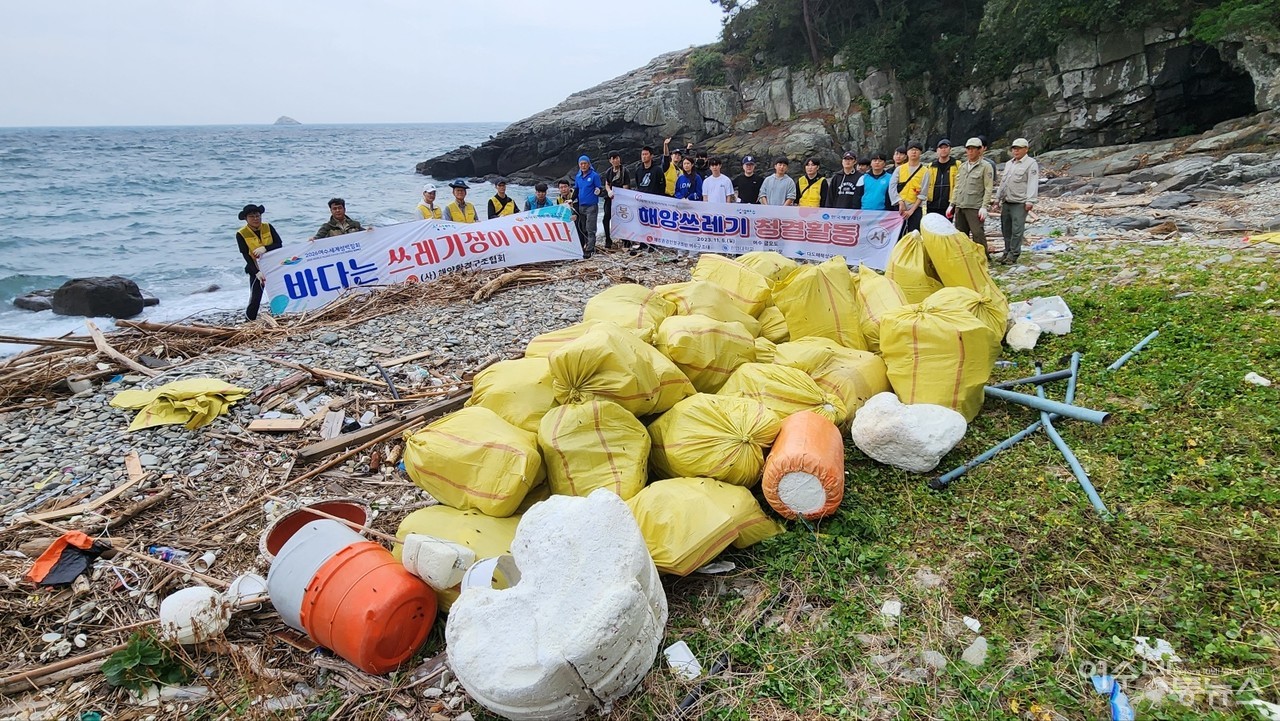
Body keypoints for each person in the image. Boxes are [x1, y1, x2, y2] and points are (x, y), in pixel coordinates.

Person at [994, 137, 1039, 265]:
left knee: (1017, 229)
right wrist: (997, 199)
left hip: (1020, 202)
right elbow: (1003, 183)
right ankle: (1006, 251)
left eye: (1019, 148)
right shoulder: (1009, 164)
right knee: (1005, 228)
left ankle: (1014, 254)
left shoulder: (1031, 164)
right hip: (1007, 200)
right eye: (1014, 148)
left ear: (1026, 149)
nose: (1016, 151)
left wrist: (1030, 201)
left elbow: (1032, 183)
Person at [235, 203, 281, 321]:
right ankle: (250, 319)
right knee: (256, 296)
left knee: (279, 290)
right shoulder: (241, 233)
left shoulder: (268, 227)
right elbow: (245, 254)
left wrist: (266, 248)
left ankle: (280, 313)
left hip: (273, 265)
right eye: (252, 216)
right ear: (246, 219)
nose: (256, 219)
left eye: (257, 216)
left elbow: (279, 244)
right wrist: (256, 272)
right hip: (255, 267)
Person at [950, 137, 995, 251]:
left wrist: (984, 207)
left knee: (977, 233)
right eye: (968, 149)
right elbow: (957, 186)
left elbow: (988, 188)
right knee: (961, 234)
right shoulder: (963, 166)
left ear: (979, 150)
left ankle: (983, 257)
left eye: (973, 149)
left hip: (974, 206)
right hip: (960, 205)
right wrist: (952, 204)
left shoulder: (986, 166)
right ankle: (964, 258)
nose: (970, 151)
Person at [893, 141, 931, 234]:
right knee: (896, 234)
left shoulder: (925, 171)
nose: (914, 152)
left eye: (916, 150)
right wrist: (900, 202)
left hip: (915, 207)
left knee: (914, 234)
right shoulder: (899, 169)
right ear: (907, 153)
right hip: (899, 206)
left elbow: (923, 193)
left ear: (920, 153)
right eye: (911, 150)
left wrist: (911, 211)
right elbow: (892, 186)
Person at [573, 155, 605, 258]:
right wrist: (571, 199)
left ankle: (590, 249)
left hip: (591, 206)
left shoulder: (594, 175)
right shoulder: (578, 176)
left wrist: (599, 191)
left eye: (585, 163)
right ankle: (586, 245)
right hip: (581, 206)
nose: (583, 165)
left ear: (589, 164)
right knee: (583, 228)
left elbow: (599, 188)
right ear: (579, 165)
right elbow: (576, 190)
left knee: (591, 229)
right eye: (581, 164)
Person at [602, 151, 632, 249]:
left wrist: (620, 196)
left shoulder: (624, 171)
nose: (615, 160)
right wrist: (609, 191)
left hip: (621, 199)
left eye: (617, 158)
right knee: (606, 218)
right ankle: (608, 239)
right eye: (613, 158)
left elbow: (626, 186)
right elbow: (607, 183)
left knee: (622, 219)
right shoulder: (608, 171)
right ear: (610, 161)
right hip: (610, 198)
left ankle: (626, 240)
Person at [927, 139, 958, 216]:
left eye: (945, 147)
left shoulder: (957, 165)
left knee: (946, 226)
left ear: (950, 149)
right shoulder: (931, 166)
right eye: (941, 148)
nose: (943, 150)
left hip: (949, 204)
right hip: (932, 204)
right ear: (937, 150)